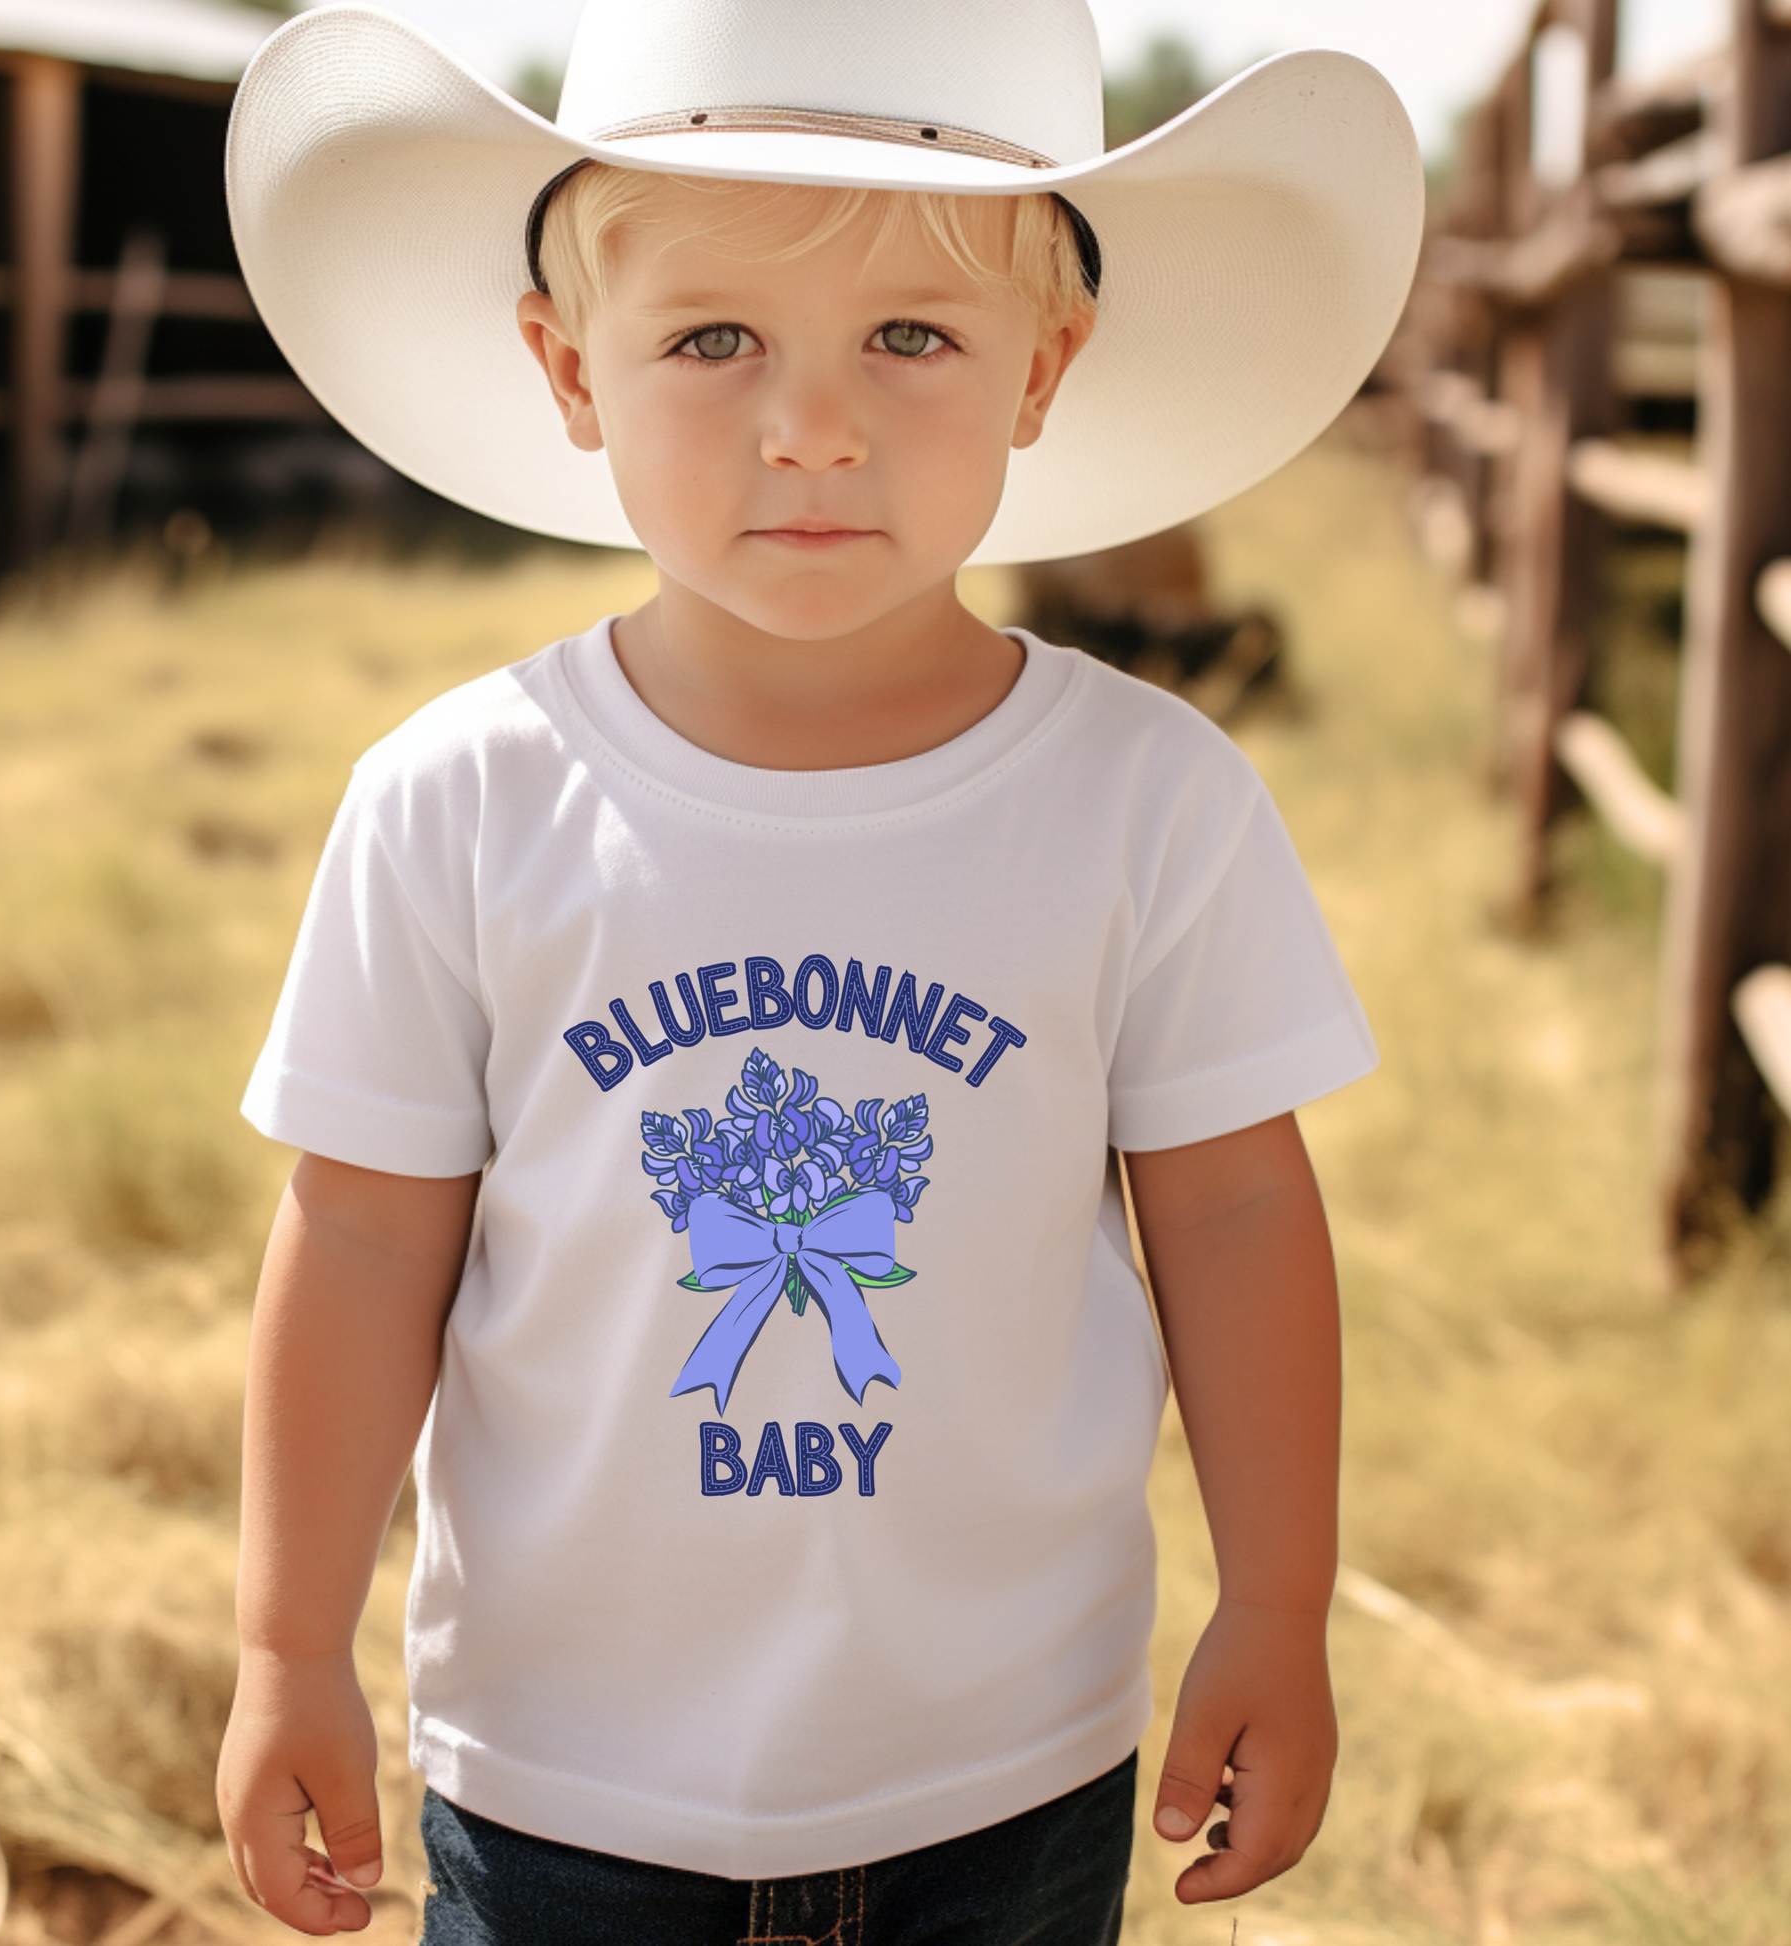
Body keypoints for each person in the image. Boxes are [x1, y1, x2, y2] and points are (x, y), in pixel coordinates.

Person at [215, 2, 1423, 1940]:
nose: (814, 425)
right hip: (566, 1780)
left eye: (913, 338)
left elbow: (1232, 1209)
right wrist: (287, 1645)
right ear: (566, 368)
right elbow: (363, 1239)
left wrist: (1276, 1604)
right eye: (711, 340)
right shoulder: (457, 798)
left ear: (1045, 369)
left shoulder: (1146, 798)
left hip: (1004, 1761)